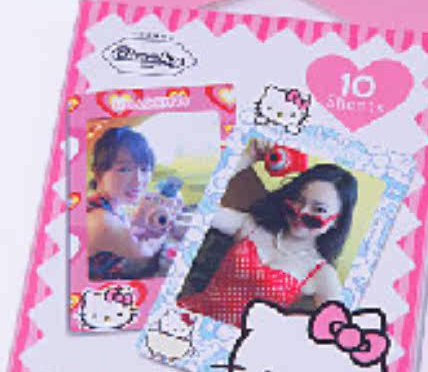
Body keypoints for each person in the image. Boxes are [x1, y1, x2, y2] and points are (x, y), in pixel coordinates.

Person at [178, 139, 354, 327]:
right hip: (188, 317)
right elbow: (194, 208)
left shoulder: (322, 274)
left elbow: (337, 333)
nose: (301, 211)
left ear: (336, 221)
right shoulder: (250, 225)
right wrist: (247, 158)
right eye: (298, 199)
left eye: (318, 209)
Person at [86, 126, 166, 280]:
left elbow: (128, 232)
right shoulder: (102, 221)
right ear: (98, 172)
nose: (138, 181)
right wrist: (166, 228)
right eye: (124, 169)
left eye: (144, 169)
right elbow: (145, 253)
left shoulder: (111, 206)